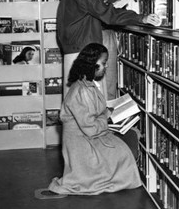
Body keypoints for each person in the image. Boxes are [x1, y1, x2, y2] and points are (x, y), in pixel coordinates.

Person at [56, 0, 161, 97]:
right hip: (81, 53)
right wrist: (141, 18)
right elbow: (109, 14)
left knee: (76, 103)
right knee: (86, 104)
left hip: (74, 53)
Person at [48, 43, 141, 195]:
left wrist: (107, 112)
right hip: (84, 144)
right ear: (92, 64)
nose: (106, 67)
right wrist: (108, 119)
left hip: (88, 136)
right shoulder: (82, 91)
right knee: (123, 152)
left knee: (129, 138)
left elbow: (93, 112)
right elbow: (90, 128)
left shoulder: (86, 85)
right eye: (103, 63)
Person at [86, 0, 122, 100]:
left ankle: (109, 117)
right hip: (88, 33)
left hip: (107, 32)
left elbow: (114, 12)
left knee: (110, 75)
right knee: (89, 76)